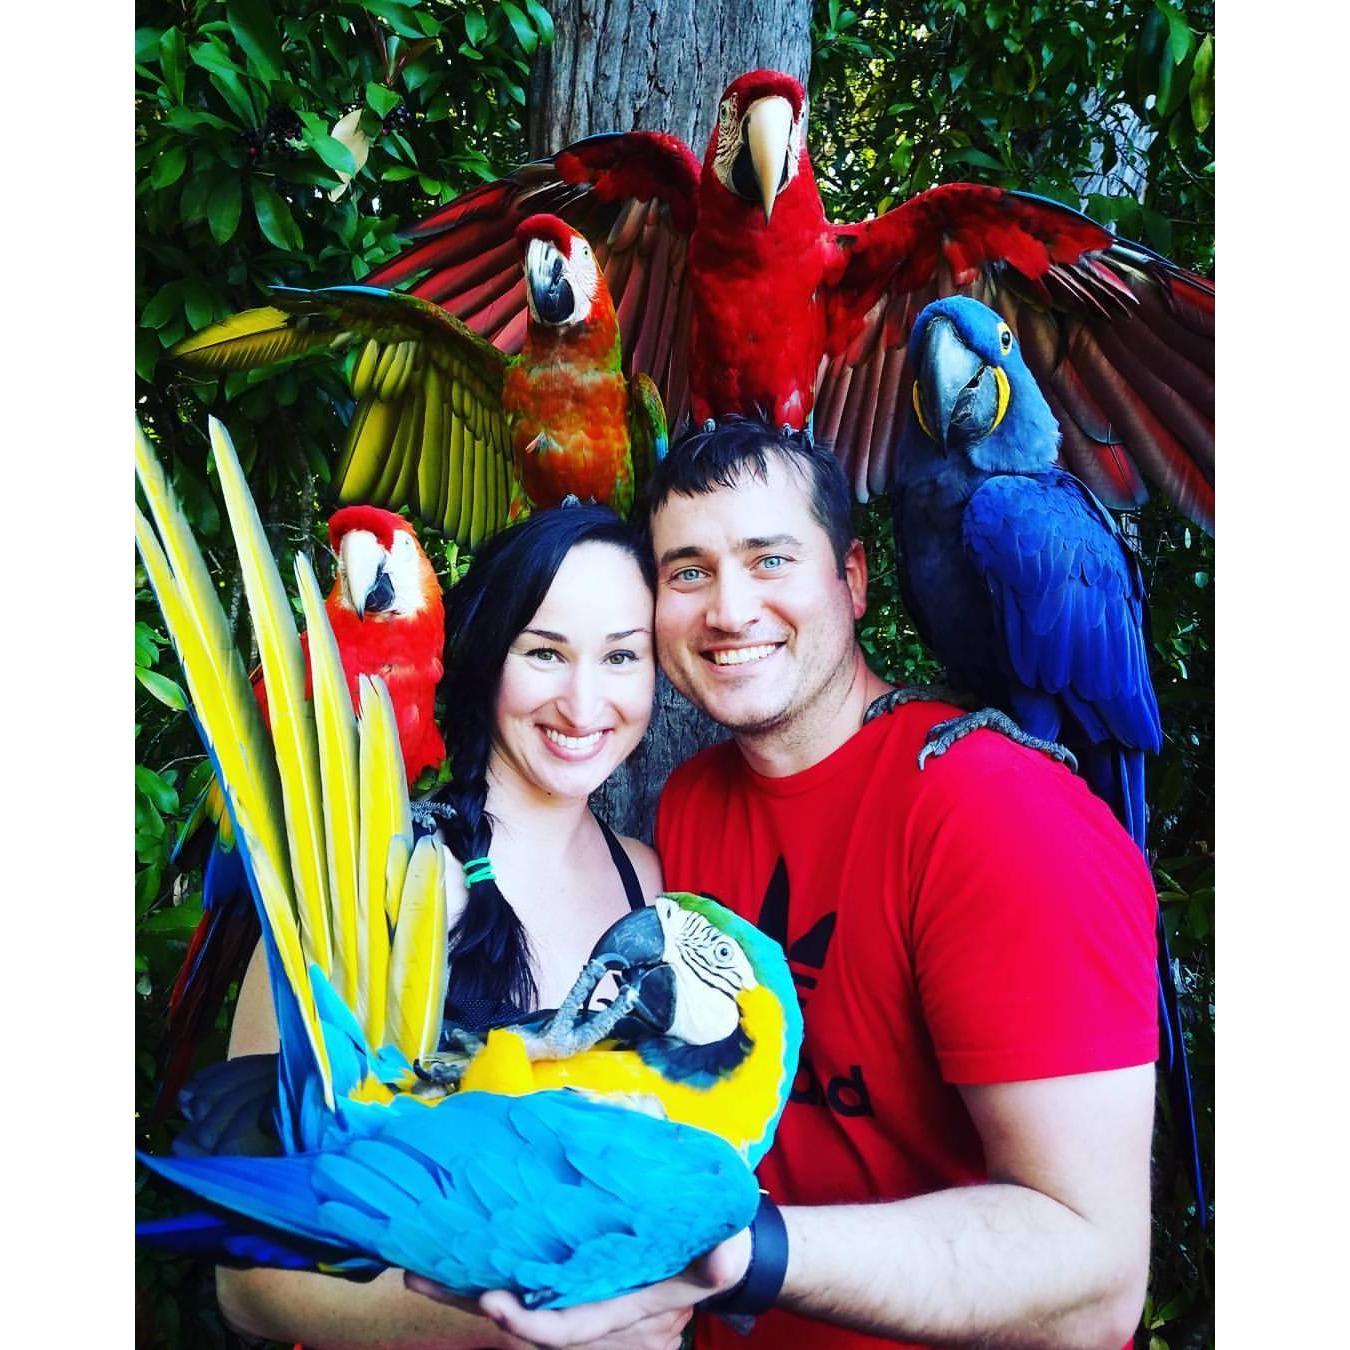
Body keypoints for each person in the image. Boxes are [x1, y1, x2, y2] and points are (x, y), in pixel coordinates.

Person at [474, 419, 1160, 1350]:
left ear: (855, 579)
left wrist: (740, 1257)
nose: (728, 608)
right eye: (688, 572)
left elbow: (1095, 1280)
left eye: (770, 559)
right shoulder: (689, 809)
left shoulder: (1000, 814)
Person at [215, 502, 690, 1350]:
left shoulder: (648, 883)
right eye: (545, 653)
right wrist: (510, 1333)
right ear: (485, 657)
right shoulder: (358, 888)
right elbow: (246, 1278)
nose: (585, 701)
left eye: (623, 656)